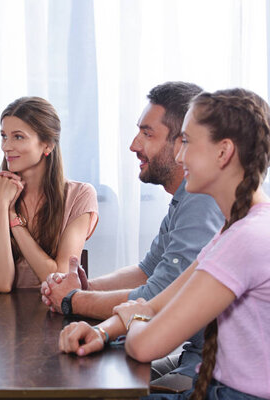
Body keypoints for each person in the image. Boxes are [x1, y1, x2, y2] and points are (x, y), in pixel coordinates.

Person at [59, 88, 270, 400]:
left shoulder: (244, 239)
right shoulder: (235, 229)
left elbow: (144, 345)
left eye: (186, 142)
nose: (180, 155)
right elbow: (161, 301)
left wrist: (137, 315)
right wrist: (103, 331)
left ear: (223, 152)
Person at [41, 82, 225, 391]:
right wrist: (87, 287)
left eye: (147, 133)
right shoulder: (187, 197)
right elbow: (148, 270)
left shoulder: (204, 200)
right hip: (191, 353)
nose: (133, 145)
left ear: (183, 142)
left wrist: (74, 301)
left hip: (209, 364)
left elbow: (157, 297)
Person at [0, 96, 99, 293]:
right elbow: (2, 283)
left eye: (18, 137)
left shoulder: (79, 196)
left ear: (47, 145)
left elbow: (59, 276)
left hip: (58, 315)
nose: (6, 146)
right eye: (4, 136)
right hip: (3, 319)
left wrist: (12, 217)